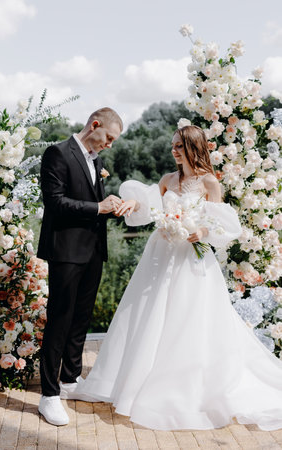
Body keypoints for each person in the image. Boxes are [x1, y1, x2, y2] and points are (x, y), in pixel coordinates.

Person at [81, 125, 282, 431]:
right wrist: (134, 204)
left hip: (191, 259)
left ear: (193, 147)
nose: (173, 151)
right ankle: (136, 381)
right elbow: (149, 205)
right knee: (147, 315)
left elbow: (221, 222)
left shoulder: (209, 183)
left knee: (188, 319)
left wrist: (200, 231)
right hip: (160, 255)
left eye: (178, 146)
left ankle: (183, 387)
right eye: (172, 145)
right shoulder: (167, 180)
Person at [37, 107, 123, 426]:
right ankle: (49, 395)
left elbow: (92, 204)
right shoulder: (57, 153)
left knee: (81, 318)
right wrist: (97, 207)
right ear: (94, 125)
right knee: (59, 320)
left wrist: (110, 206)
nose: (109, 145)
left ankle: (70, 381)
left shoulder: (95, 159)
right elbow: (55, 202)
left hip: (92, 251)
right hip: (65, 250)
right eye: (109, 137)